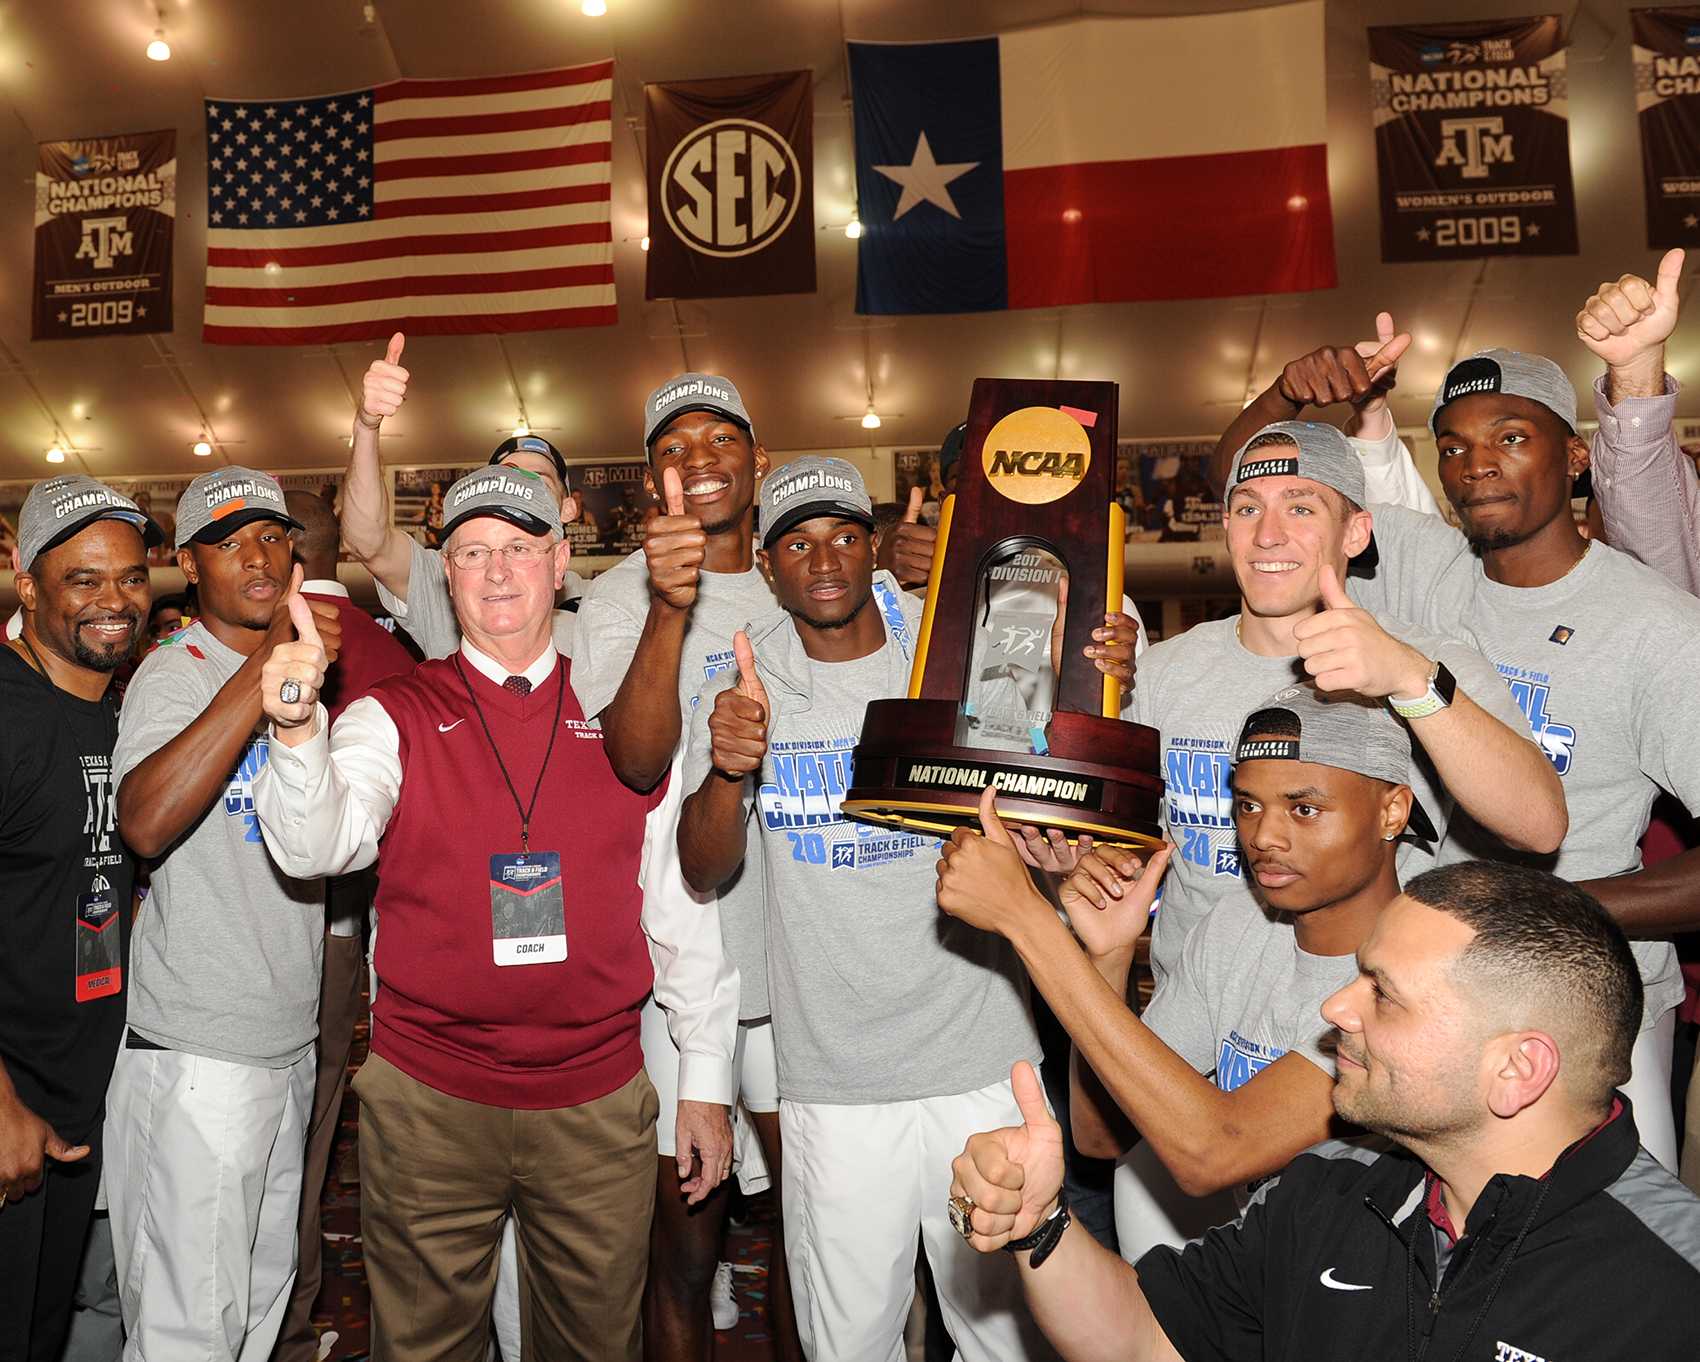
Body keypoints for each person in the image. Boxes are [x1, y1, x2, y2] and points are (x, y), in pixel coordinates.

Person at [251, 465, 734, 1362]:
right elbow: (319, 845)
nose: (499, 571)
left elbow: (680, 906)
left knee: (593, 1348)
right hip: (429, 1098)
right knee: (424, 1348)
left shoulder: (627, 712)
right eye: (474, 552)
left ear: (560, 566)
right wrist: (295, 729)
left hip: (594, 1100)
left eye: (521, 548)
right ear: (447, 576)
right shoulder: (391, 712)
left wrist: (704, 1079)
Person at [676, 456, 1136, 1361]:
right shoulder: (742, 684)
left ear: (874, 545)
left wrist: (1110, 666)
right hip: (836, 1079)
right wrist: (730, 770)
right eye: (797, 544)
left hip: (983, 1062)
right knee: (851, 1345)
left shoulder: (954, 653)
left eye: (844, 537)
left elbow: (1061, 779)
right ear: (767, 566)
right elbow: (703, 863)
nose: (824, 562)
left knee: (1003, 1341)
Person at [1101, 419, 1564, 1253]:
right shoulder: (1166, 675)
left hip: (1383, 1076)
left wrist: (1407, 680)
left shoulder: (1422, 656)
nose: (1269, 535)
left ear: (1356, 530)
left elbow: (1539, 825)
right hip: (1197, 1048)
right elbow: (1105, 844)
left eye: (1300, 507)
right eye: (1246, 508)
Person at [949, 861, 1700, 1362]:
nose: (1336, 1006)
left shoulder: (1670, 1288)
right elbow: (1143, 1339)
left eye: (1383, 991)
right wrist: (1041, 1221)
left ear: (1518, 1069)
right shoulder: (1328, 1191)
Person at [1285, 327, 1700, 1169]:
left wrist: (1548, 914)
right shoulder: (1428, 572)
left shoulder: (1655, 626)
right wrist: (1290, 397)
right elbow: (1257, 490)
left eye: (1511, 437)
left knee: (1598, 1286)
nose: (1477, 463)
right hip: (1420, 1006)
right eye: (1453, 445)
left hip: (1588, 1016)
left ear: (1575, 457)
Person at [937, 681, 1433, 1239]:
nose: (1265, 836)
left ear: (1392, 811)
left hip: (1376, 1294)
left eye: (1305, 808)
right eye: (1248, 804)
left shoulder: (1420, 970)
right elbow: (1103, 1135)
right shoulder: (1235, 924)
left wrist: (1027, 921)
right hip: (1258, 1268)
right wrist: (1108, 955)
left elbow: (1215, 1152)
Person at [569, 373, 795, 1361]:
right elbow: (632, 759)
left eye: (719, 439)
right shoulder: (615, 597)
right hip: (678, 976)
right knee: (683, 1255)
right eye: (672, 446)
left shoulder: (812, 574)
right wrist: (668, 602)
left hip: (802, 971)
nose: (697, 459)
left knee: (814, 1235)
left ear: (760, 461)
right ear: (647, 477)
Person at [106, 467, 339, 1362]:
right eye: (230, 540)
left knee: (252, 1310)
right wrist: (264, 667)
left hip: (281, 1046)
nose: (259, 556)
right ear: (189, 564)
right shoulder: (176, 672)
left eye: (273, 537)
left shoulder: (316, 678)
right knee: (185, 1334)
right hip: (199, 1053)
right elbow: (146, 821)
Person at [0, 476, 159, 1362]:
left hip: (78, 1101)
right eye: (84, 579)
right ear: (29, 584)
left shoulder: (124, 717)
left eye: (131, 578)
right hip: (10, 1101)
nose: (114, 602)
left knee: (41, 1332)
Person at [272, 490, 415, 1362]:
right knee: (314, 1124)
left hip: (305, 915)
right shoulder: (385, 645)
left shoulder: (249, 642)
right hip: (346, 928)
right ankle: (291, 1312)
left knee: (287, 1130)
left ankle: (287, 1321)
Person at [339, 331, 585, 660]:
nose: (519, 488)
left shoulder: (603, 601)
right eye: (507, 475)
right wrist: (366, 427)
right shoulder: (454, 577)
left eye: (538, 479)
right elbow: (367, 541)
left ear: (568, 508)